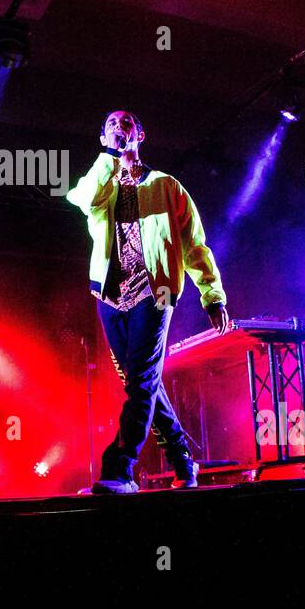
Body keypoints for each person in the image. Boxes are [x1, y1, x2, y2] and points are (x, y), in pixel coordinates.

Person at [66, 110, 228, 493]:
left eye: (125, 124)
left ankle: (119, 470)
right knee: (144, 384)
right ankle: (182, 460)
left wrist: (212, 294)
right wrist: (109, 158)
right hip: (110, 296)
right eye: (109, 125)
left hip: (154, 293)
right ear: (102, 137)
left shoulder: (168, 186)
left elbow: (194, 245)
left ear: (140, 133)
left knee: (140, 382)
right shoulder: (100, 183)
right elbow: (84, 199)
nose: (117, 129)